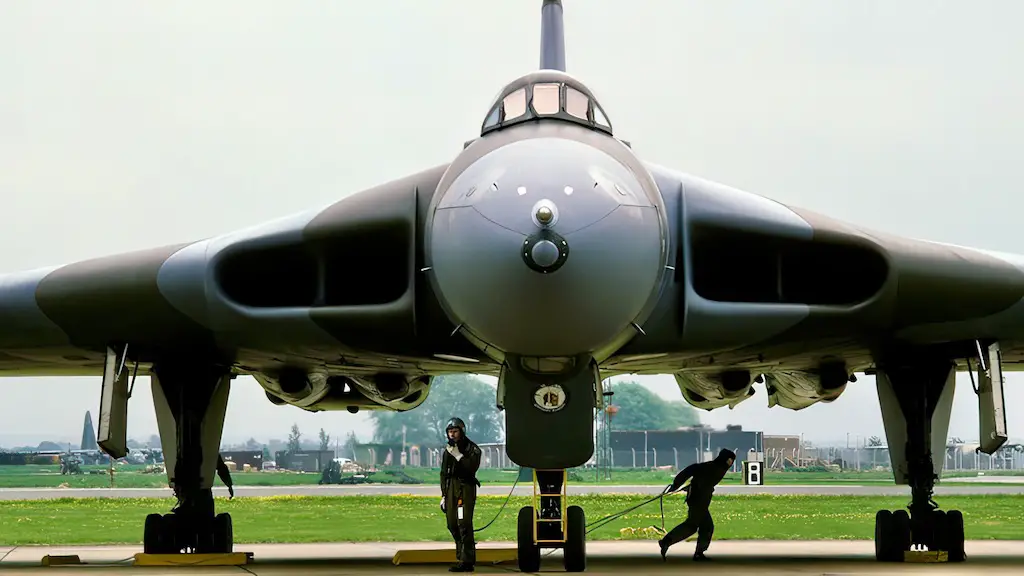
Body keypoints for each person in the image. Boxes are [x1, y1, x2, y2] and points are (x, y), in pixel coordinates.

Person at [658, 448, 736, 562]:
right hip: (698, 500)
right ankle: (667, 542)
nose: (731, 463)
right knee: (694, 526)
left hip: (699, 500)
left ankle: (696, 552)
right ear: (727, 460)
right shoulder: (714, 467)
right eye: (731, 460)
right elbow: (692, 470)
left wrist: (686, 486)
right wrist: (676, 485)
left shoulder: (718, 468)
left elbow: (699, 477)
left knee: (705, 526)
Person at [439, 417, 482, 572]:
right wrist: (444, 494)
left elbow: (472, 467)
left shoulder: (473, 449)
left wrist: (459, 456)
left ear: (462, 431)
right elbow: (444, 473)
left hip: (465, 488)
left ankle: (467, 560)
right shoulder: (448, 451)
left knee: (463, 523)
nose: (452, 435)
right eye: (450, 432)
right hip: (451, 488)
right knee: (452, 523)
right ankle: (460, 556)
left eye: (455, 431)